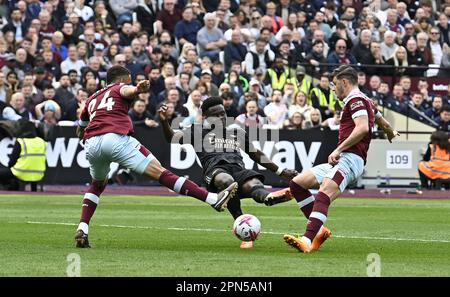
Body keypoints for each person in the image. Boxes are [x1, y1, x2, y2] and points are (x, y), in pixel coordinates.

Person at [74, 66, 238, 248]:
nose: (130, 83)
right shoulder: (119, 88)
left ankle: (83, 228)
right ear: (122, 79)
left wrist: (85, 122)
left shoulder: (92, 98)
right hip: (115, 138)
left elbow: (80, 130)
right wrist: (136, 89)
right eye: (129, 80)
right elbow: (125, 90)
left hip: (91, 143)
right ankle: (213, 199)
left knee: (97, 184)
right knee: (161, 172)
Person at [283, 65, 399, 253]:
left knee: (324, 193)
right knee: (297, 184)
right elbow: (381, 120)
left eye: (335, 84)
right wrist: (390, 131)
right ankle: (319, 231)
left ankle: (307, 239)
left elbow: (362, 128)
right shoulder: (365, 100)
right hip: (346, 157)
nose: (333, 88)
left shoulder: (356, 101)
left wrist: (338, 149)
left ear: (344, 82)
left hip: (351, 159)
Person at [158, 97, 298, 248]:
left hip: (238, 169)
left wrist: (280, 171)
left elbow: (255, 154)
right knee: (227, 181)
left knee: (254, 183)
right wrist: (165, 122)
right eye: (216, 115)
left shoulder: (236, 131)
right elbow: (172, 138)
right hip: (215, 170)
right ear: (205, 117)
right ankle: (241, 223)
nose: (221, 118)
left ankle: (268, 198)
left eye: (222, 114)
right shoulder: (196, 131)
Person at [0, 119, 47, 191]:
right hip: (38, 174)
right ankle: (33, 189)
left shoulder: (21, 141)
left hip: (21, 172)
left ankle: (10, 187)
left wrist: (9, 168)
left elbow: (12, 161)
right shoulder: (41, 142)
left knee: (4, 173)